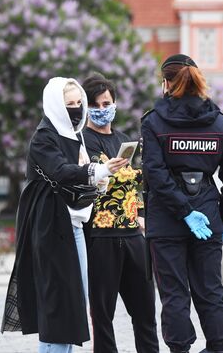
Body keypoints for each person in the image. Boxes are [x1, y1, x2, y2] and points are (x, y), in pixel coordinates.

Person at [1, 77, 128, 353]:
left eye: (78, 103)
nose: (76, 109)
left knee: (74, 302)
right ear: (55, 106)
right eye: (69, 104)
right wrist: (99, 172)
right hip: (50, 227)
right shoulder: (44, 137)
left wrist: (98, 180)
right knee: (58, 305)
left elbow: (78, 177)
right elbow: (60, 171)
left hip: (75, 227)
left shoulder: (76, 136)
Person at [141, 54, 223, 353]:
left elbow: (156, 174)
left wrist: (183, 211)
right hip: (208, 213)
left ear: (166, 83)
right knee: (211, 292)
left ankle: (180, 349)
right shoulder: (219, 122)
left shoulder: (154, 122)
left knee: (174, 294)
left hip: (166, 219)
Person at [80, 73, 160, 353]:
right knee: (103, 316)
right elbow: (82, 182)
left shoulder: (125, 139)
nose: (102, 110)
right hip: (100, 237)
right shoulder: (81, 141)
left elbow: (135, 186)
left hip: (133, 235)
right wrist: (105, 172)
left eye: (107, 103)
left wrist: (140, 213)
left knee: (146, 314)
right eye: (96, 105)